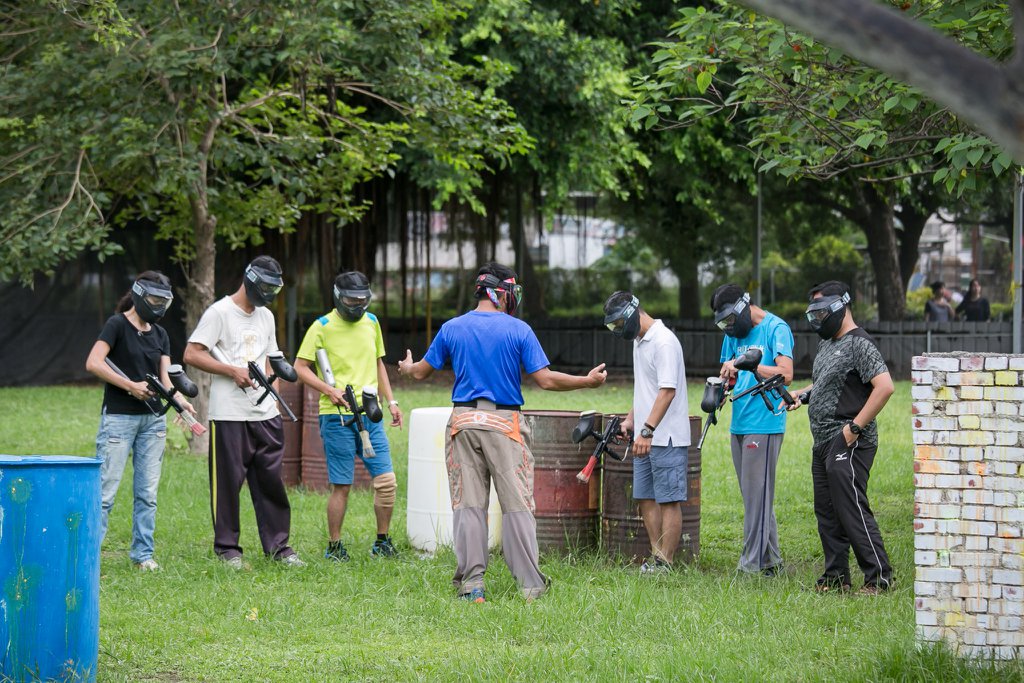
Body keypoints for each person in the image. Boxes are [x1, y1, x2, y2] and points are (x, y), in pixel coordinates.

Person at [398, 262, 606, 602]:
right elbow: (546, 379)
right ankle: (530, 586)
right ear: (502, 292)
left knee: (468, 506)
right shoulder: (518, 330)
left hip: (462, 423)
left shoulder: (452, 328)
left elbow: (420, 371)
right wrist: (588, 381)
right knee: (517, 505)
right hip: (504, 424)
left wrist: (406, 368)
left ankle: (472, 585)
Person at [183, 256, 304, 568]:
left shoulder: (265, 317)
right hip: (229, 414)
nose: (268, 294)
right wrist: (230, 371)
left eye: (273, 289)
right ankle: (228, 549)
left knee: (271, 482)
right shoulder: (219, 313)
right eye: (264, 286)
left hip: (265, 412)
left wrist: (271, 384)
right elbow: (192, 353)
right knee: (227, 483)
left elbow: (270, 356)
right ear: (250, 279)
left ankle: (279, 548)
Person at [788, 281, 895, 595]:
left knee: (851, 507)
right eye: (814, 313)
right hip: (823, 441)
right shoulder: (828, 344)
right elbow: (827, 384)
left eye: (821, 311)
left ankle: (879, 577)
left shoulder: (859, 343)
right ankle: (836, 577)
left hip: (848, 440)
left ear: (841, 306)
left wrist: (854, 429)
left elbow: (885, 387)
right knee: (827, 510)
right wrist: (802, 395)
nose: (817, 318)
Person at [85, 271, 194, 571]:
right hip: (119, 421)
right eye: (155, 299)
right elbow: (93, 362)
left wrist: (181, 403)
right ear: (139, 295)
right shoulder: (116, 324)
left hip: (153, 422)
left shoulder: (160, 334)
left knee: (147, 494)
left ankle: (143, 555)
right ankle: (89, 556)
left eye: (164, 301)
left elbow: (165, 381)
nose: (159, 306)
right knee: (105, 493)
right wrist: (129, 386)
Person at [294, 271, 403, 562]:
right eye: (351, 300)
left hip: (371, 412)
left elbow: (379, 363)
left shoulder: (372, 322)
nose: (357, 306)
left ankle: (382, 541)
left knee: (386, 481)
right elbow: (300, 367)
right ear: (337, 296)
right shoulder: (322, 327)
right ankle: (335, 546)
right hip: (336, 416)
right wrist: (328, 390)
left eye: (362, 300)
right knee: (342, 485)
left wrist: (391, 401)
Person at [603, 290, 690, 576]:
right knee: (645, 496)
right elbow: (646, 390)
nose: (618, 331)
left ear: (633, 312)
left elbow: (667, 391)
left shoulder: (663, 341)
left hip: (665, 436)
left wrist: (647, 429)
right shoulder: (640, 342)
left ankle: (666, 561)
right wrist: (631, 420)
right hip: (645, 434)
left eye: (618, 324)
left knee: (668, 499)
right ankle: (655, 556)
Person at [710, 284, 794, 576]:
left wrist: (748, 366)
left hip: (766, 422)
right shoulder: (732, 333)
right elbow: (728, 369)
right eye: (724, 323)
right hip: (739, 422)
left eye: (731, 320)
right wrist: (723, 384)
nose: (729, 328)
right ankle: (771, 561)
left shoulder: (776, 328)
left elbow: (786, 373)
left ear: (745, 306)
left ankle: (750, 566)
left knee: (757, 496)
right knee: (754, 496)